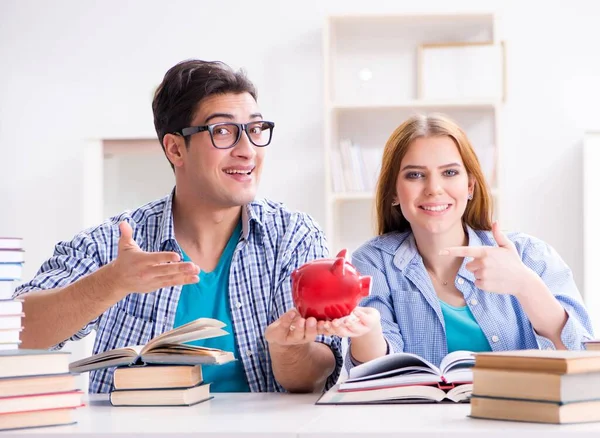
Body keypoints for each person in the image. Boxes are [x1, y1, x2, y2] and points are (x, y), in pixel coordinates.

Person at [14, 59, 342, 393]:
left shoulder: (293, 236)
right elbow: (18, 335)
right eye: (223, 132)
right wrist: (110, 283)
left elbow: (311, 378)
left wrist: (290, 351)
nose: (247, 151)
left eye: (255, 130)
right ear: (175, 149)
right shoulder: (115, 242)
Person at [317, 113, 594, 368]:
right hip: (416, 421)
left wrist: (526, 285)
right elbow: (375, 371)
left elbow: (583, 358)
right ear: (394, 193)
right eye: (415, 175)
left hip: (519, 419)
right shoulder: (373, 262)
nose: (434, 188)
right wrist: (368, 331)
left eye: (449, 172)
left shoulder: (531, 254)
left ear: (470, 186)